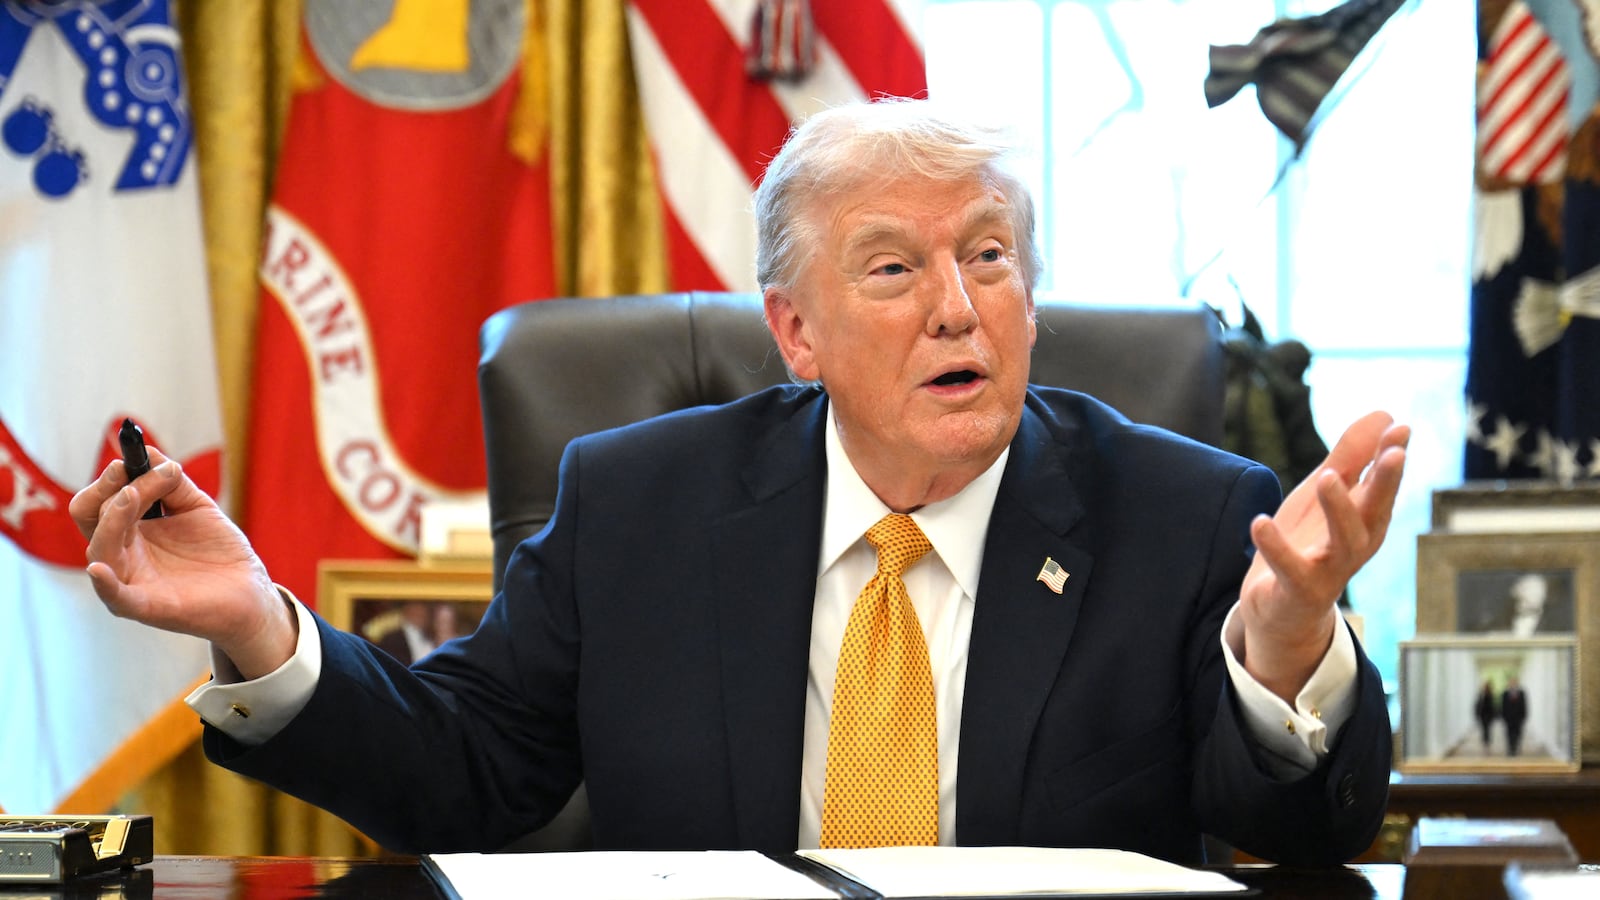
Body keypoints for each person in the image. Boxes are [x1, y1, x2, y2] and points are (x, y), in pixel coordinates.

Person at [70, 98, 1407, 866]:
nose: (959, 309)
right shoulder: (639, 505)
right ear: (795, 331)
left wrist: (1287, 653)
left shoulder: (1179, 512)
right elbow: (462, 775)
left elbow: (1295, 839)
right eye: (894, 270)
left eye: (990, 259)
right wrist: (257, 624)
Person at [1501, 676, 1529, 757]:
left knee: (1518, 734)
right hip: (1508, 718)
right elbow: (1503, 707)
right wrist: (1504, 717)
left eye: (1514, 682)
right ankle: (1510, 749)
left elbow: (1524, 705)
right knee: (1509, 734)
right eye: (1511, 682)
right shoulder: (1505, 694)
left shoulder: (1522, 693)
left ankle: (1516, 748)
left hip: (1518, 718)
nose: (1512, 684)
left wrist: (1524, 716)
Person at [1474, 680, 1497, 750]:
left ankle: (1487, 741)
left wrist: (1493, 715)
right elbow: (1477, 705)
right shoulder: (1480, 695)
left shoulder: (1490, 695)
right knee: (1484, 729)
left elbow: (1493, 706)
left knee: (1488, 729)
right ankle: (1485, 741)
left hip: (1488, 715)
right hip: (1482, 715)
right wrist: (1477, 713)